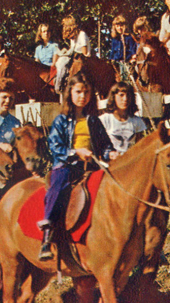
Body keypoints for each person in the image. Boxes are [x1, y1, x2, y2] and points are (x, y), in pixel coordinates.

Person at [37, 72, 113, 261]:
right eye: (78, 92)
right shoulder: (61, 120)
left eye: (86, 92)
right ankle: (47, 235)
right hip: (67, 165)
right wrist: (75, 152)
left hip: (92, 165)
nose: (82, 96)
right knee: (59, 185)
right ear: (70, 93)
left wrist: (110, 153)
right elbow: (55, 147)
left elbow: (104, 144)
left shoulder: (93, 120)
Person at [100, 82, 147, 159]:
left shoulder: (137, 121)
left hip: (130, 161)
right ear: (114, 96)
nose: (125, 99)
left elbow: (139, 146)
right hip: (111, 162)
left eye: (128, 95)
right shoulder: (105, 120)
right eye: (121, 95)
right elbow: (98, 146)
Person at [53, 14, 91, 94]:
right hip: (74, 58)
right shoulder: (73, 38)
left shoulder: (82, 35)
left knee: (65, 63)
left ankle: (60, 85)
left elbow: (84, 52)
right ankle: (60, 81)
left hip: (84, 60)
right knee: (61, 62)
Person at [106, 14, 137, 80]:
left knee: (127, 79)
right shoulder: (115, 39)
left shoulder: (129, 38)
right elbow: (112, 51)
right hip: (116, 64)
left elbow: (133, 50)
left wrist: (132, 59)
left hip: (126, 63)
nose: (119, 28)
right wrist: (111, 60)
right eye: (117, 26)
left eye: (121, 26)